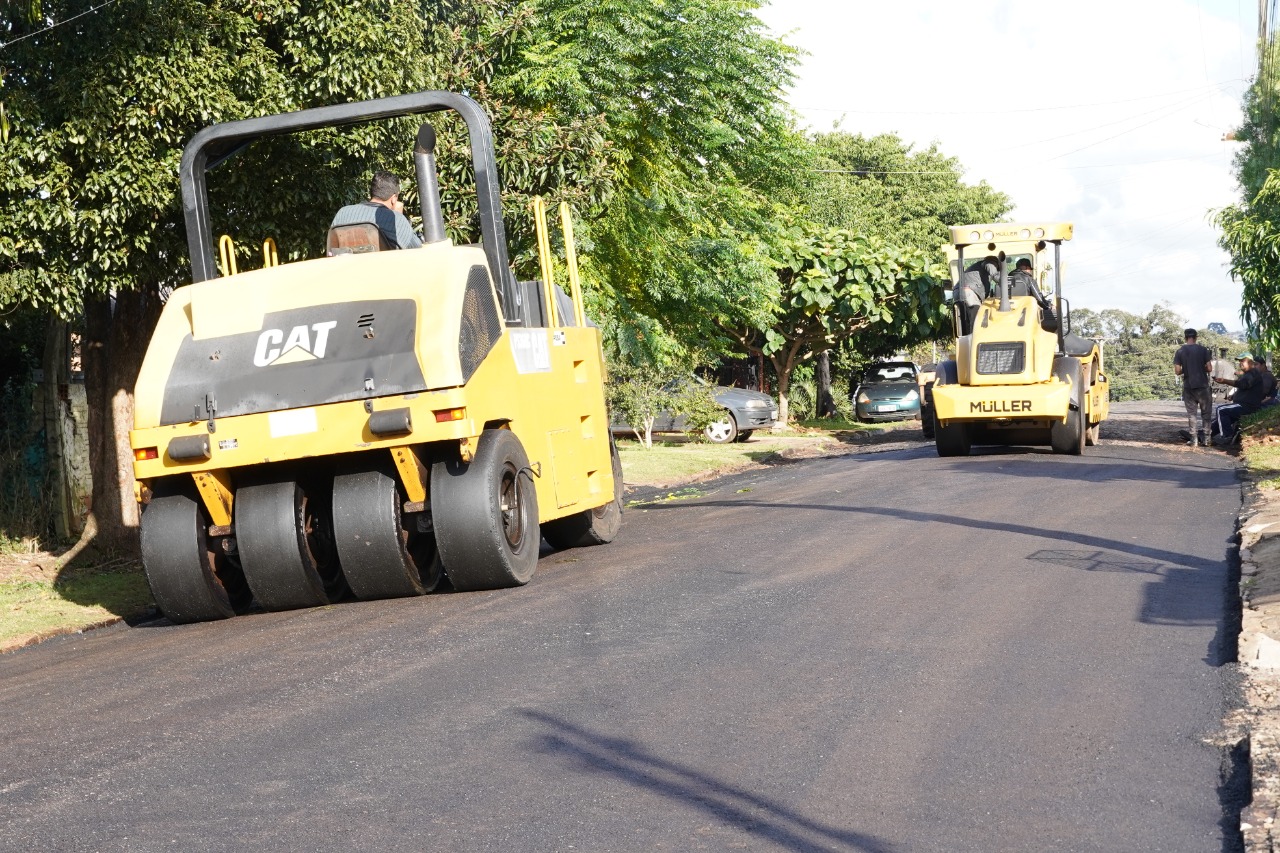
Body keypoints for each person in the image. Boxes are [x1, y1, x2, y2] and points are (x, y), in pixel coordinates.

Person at [330, 170, 422, 250]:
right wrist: (398, 216)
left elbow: (332, 248)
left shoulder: (342, 213)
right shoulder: (396, 219)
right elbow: (416, 248)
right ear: (394, 198)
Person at [1211, 351, 1267, 446]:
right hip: (1242, 405)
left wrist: (1224, 381)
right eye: (1240, 361)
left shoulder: (1252, 373)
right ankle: (1205, 434)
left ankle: (1227, 436)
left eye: (1243, 361)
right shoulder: (1248, 374)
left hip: (1247, 406)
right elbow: (1244, 387)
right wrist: (1233, 395)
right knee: (1223, 417)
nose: (1240, 363)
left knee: (1221, 410)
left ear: (1250, 362)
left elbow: (1242, 384)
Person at [1173, 327, 1213, 447]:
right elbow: (1210, 368)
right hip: (1203, 386)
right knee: (1206, 413)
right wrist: (1202, 368)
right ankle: (1207, 439)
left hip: (1189, 386)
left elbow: (1177, 371)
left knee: (1192, 414)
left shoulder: (1180, 351)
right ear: (1196, 337)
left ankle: (1194, 439)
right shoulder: (1203, 350)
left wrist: (1185, 369)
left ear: (1185, 338)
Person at [953, 255, 998, 335]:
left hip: (958, 291)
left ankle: (968, 338)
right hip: (969, 291)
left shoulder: (978, 269)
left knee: (967, 319)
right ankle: (975, 340)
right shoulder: (989, 263)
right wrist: (1003, 281)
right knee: (977, 318)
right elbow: (990, 267)